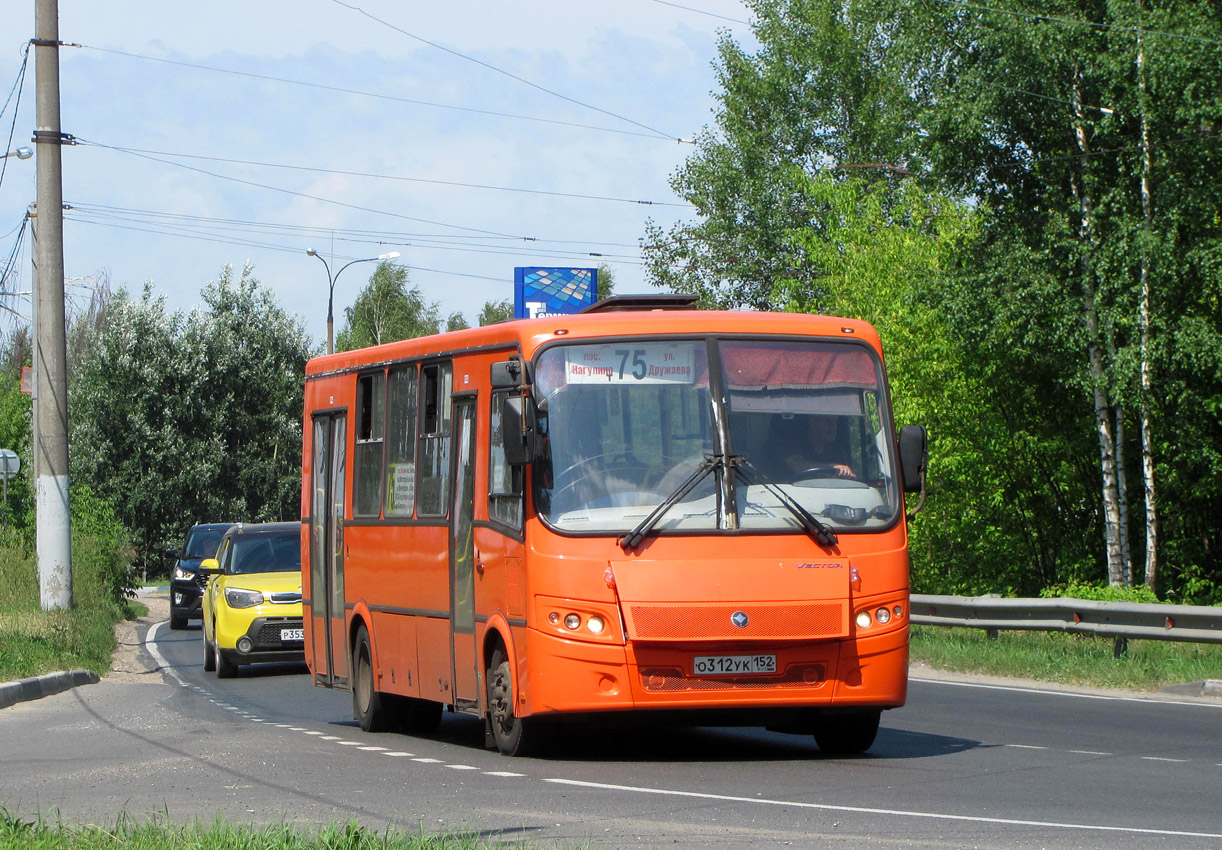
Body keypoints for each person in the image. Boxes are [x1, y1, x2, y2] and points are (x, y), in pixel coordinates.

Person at [783, 415, 855, 479]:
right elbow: (796, 465)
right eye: (827, 422)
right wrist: (831, 467)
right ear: (813, 423)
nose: (832, 427)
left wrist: (846, 473)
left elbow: (846, 478)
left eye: (835, 422)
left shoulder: (838, 452)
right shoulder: (796, 444)